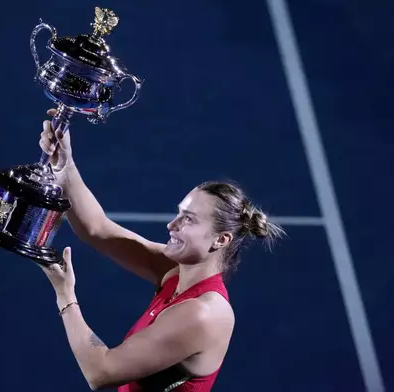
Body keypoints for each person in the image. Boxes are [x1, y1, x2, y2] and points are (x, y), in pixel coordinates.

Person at [36, 108, 285, 392]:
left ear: (220, 240)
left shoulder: (203, 314)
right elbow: (99, 231)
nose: (171, 224)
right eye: (178, 213)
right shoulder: (175, 273)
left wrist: (65, 297)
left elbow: (100, 371)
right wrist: (65, 168)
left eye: (188, 219)